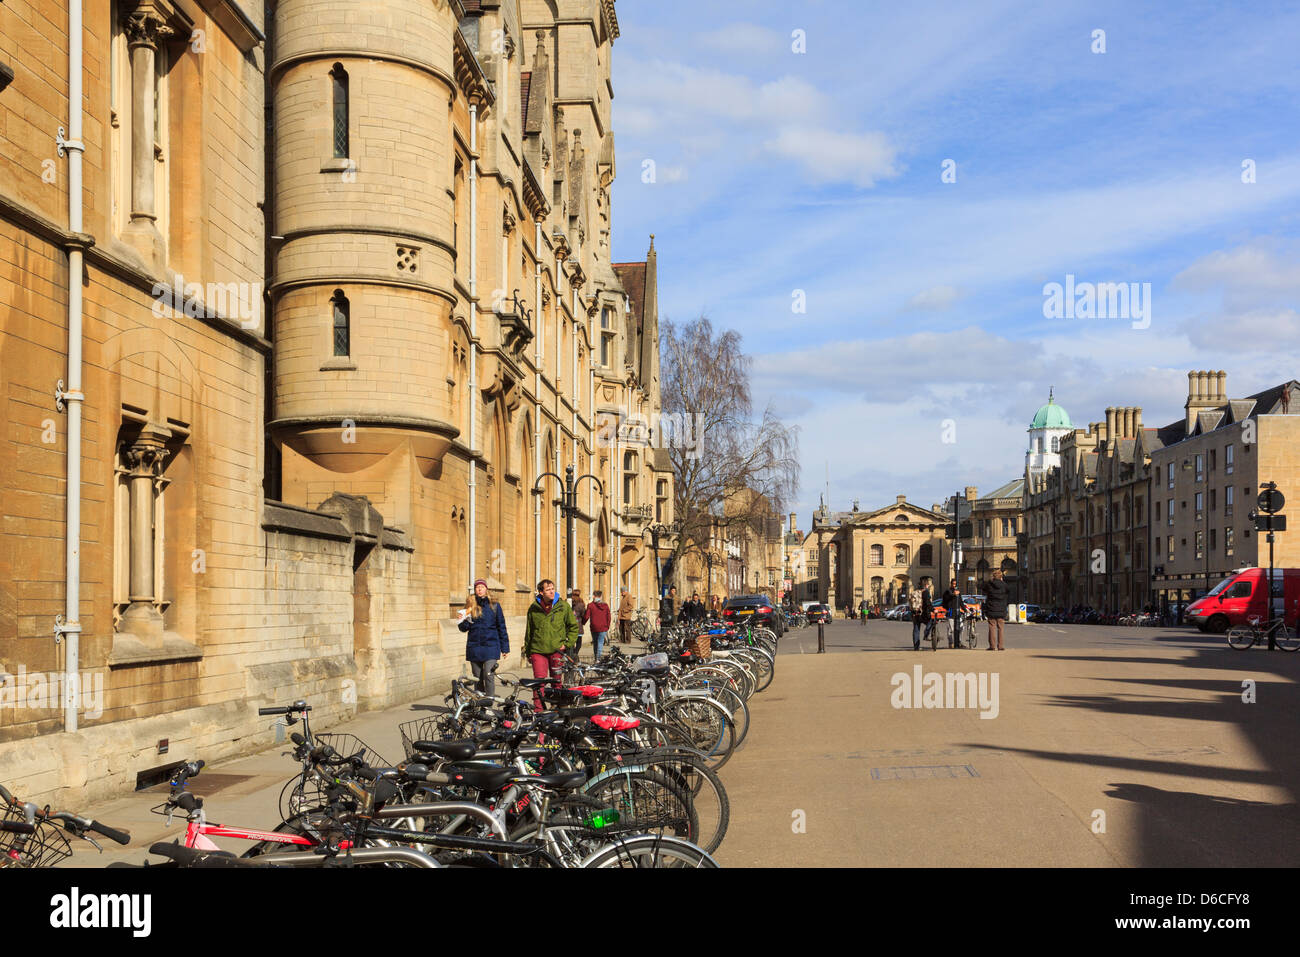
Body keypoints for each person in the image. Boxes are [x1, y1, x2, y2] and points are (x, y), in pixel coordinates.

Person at [523, 579, 579, 710]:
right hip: (538, 650)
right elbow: (529, 631)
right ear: (541, 592)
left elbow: (573, 627)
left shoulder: (563, 606)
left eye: (552, 588)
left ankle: (556, 706)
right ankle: (539, 710)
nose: (552, 591)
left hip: (556, 650)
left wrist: (567, 644)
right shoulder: (533, 608)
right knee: (538, 683)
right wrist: (528, 652)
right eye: (548, 589)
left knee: (557, 681)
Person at [458, 578, 508, 697]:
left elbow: (501, 627)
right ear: (475, 590)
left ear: (486, 589)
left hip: (491, 646)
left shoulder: (494, 606)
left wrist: (504, 648)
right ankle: (481, 706)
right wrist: (465, 619)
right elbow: (463, 628)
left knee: (488, 674)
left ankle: (489, 704)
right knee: (477, 678)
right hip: (474, 647)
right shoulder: (470, 606)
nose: (479, 589)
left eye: (482, 587)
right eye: (477, 587)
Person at [583, 589, 612, 660]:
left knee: (595, 642)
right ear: (601, 596)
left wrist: (583, 622)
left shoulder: (590, 605)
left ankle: (596, 657)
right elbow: (609, 616)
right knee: (600, 642)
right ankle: (598, 658)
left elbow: (587, 616)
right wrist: (607, 626)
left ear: (594, 596)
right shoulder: (605, 605)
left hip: (594, 627)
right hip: (603, 627)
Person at [985, 570, 1010, 650]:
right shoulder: (1004, 585)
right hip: (1001, 609)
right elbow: (1008, 592)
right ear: (1001, 577)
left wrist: (989, 581)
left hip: (991, 608)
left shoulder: (989, 585)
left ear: (993, 577)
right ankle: (1000, 646)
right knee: (1001, 628)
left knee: (992, 627)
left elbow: (982, 587)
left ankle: (992, 646)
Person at [941, 579, 963, 648]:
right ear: (951, 584)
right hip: (950, 611)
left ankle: (959, 642)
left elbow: (961, 602)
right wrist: (953, 594)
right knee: (951, 629)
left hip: (957, 612)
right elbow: (946, 599)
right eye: (953, 584)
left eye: (955, 584)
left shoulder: (958, 592)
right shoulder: (947, 591)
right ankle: (951, 643)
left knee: (961, 627)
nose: (954, 585)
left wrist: (965, 609)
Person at [569, 589, 586, 657]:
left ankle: (572, 655)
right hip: (578, 625)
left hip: (570, 626)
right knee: (579, 643)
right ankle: (575, 654)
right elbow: (583, 614)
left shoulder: (568, 602)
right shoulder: (581, 604)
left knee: (571, 642)